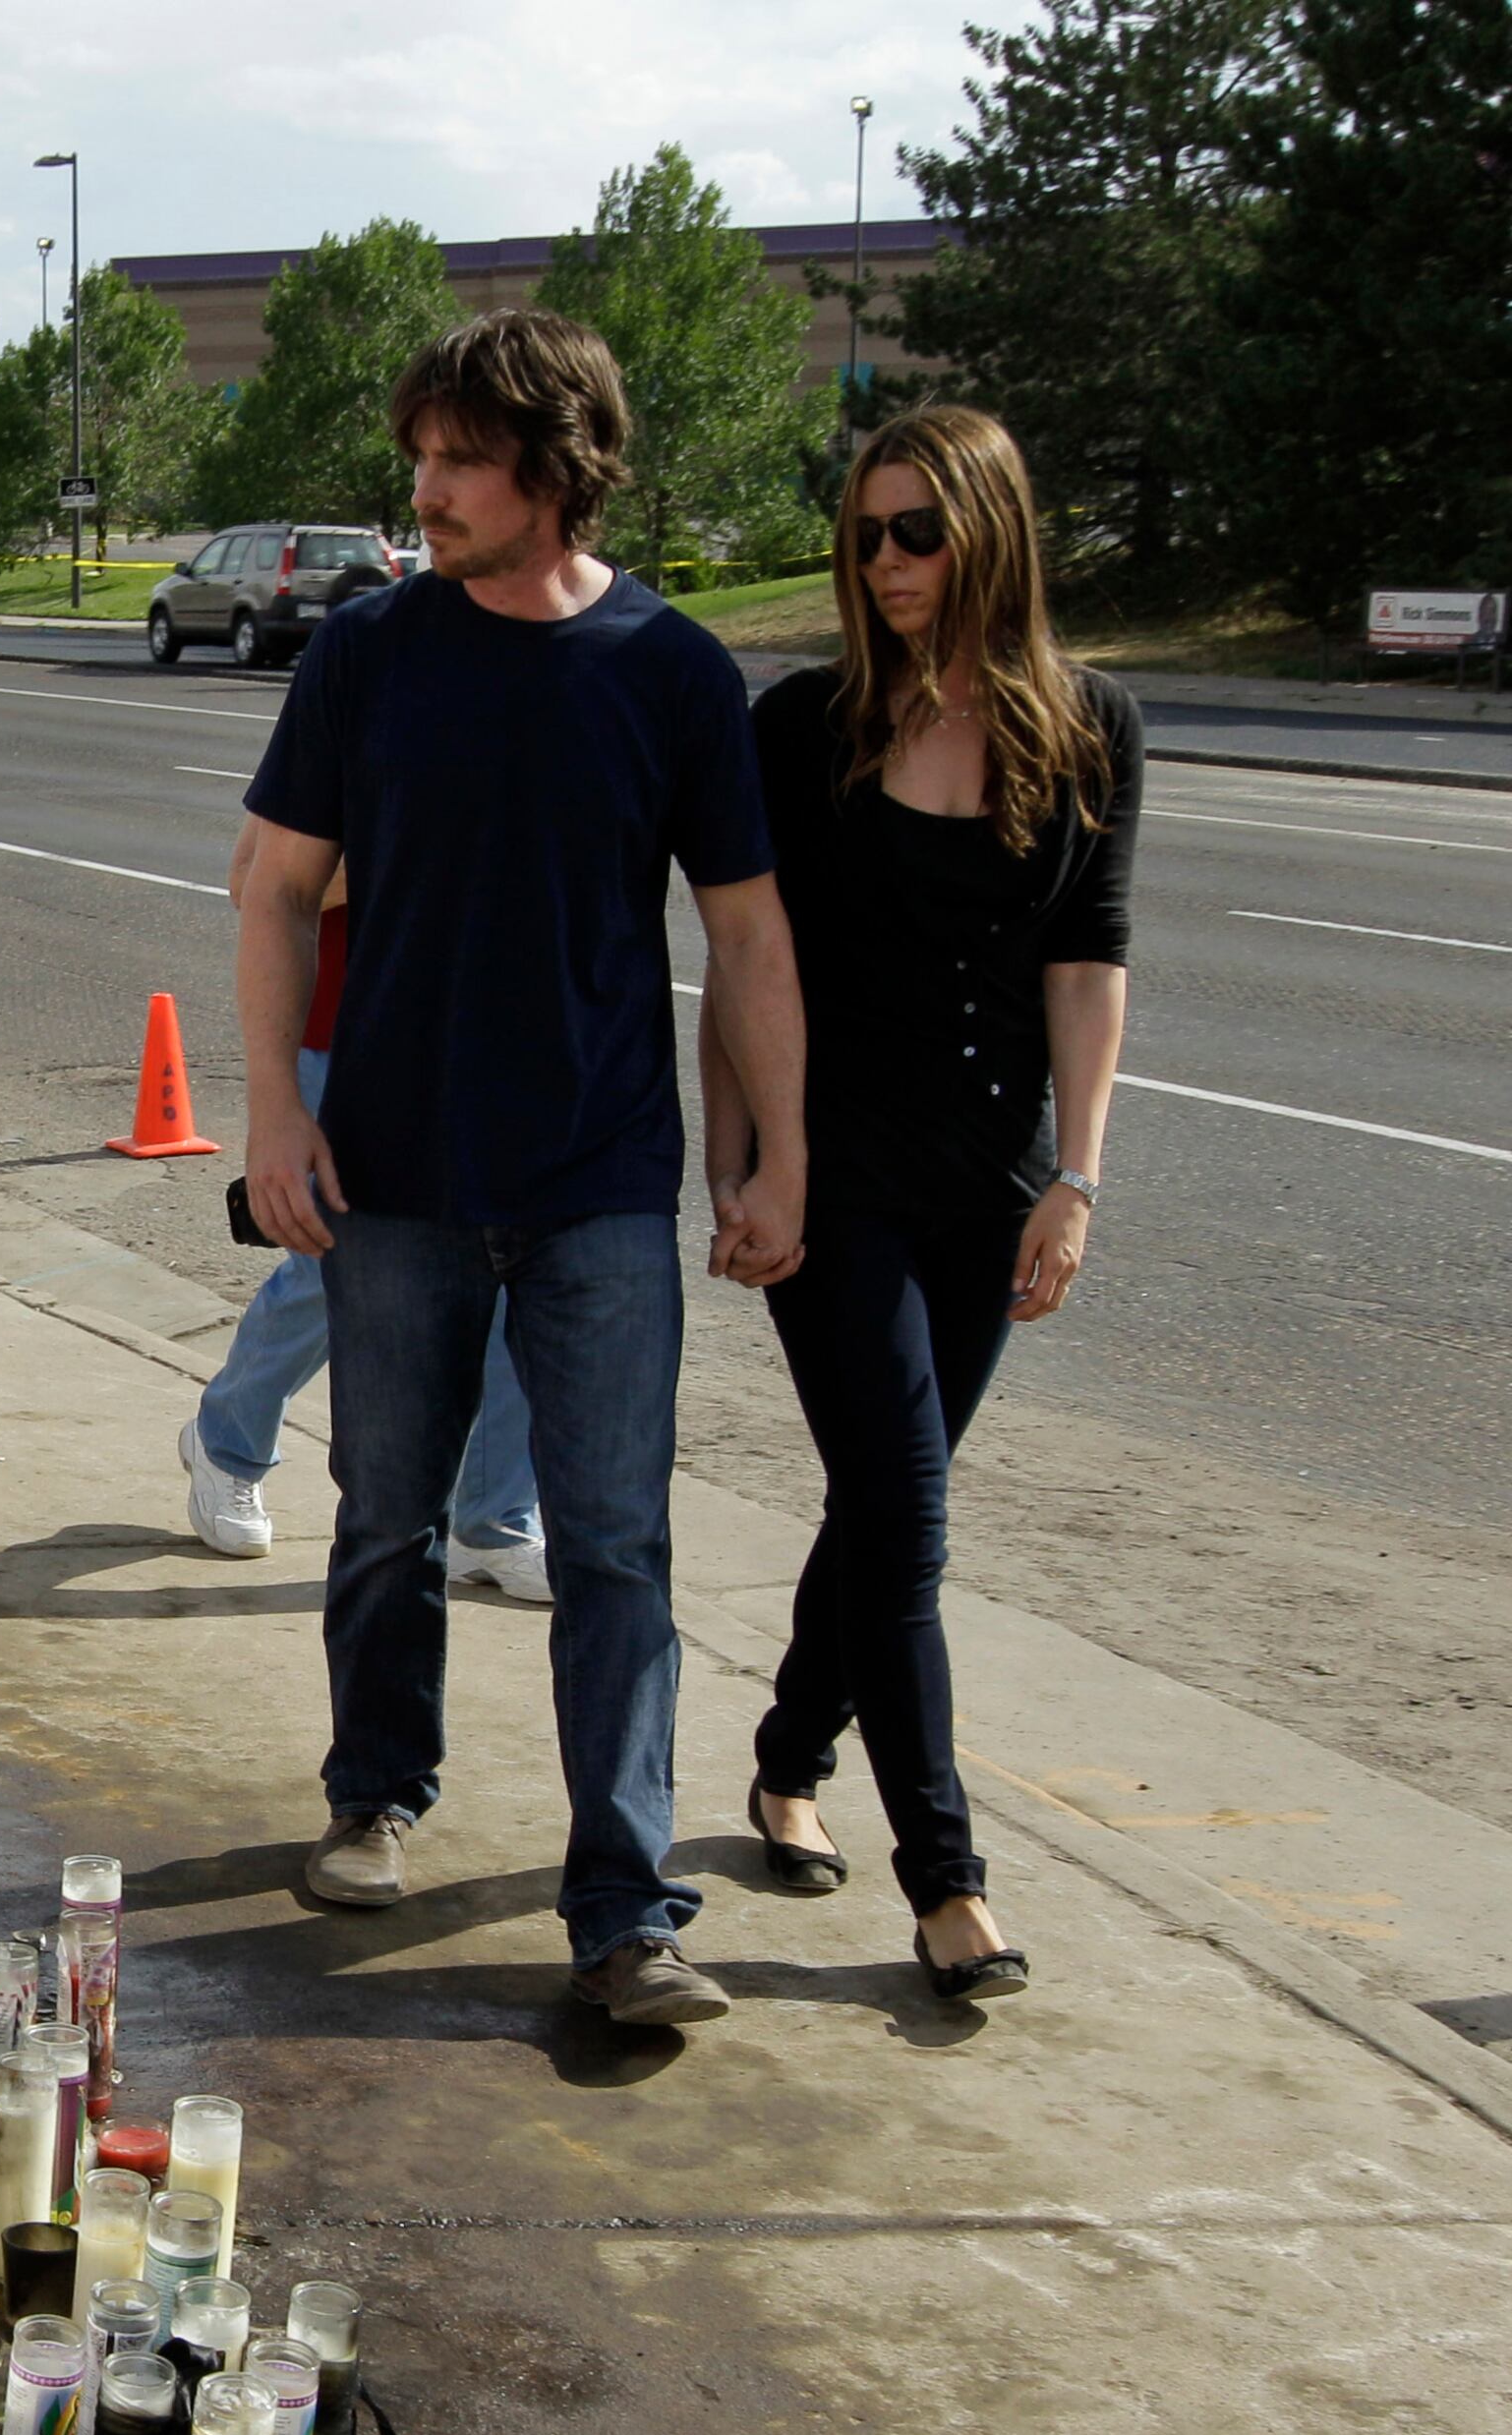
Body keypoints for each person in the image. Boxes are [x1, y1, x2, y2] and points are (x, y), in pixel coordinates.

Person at [233, 308, 810, 2027]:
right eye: (417, 458)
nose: (426, 492)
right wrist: (276, 1109)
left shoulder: (675, 673)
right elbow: (271, 888)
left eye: (460, 461)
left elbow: (751, 934)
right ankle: (375, 1794)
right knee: (386, 1515)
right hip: (397, 1166)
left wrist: (776, 1157)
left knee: (617, 1546)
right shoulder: (369, 652)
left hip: (602, 1176)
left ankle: (628, 1908)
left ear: (556, 472)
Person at [705, 405, 1135, 2005]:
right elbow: (746, 968)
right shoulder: (804, 728)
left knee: (881, 1513)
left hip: (990, 1183)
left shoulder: (1089, 729)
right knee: (911, 1523)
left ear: (991, 535)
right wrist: (745, 1163)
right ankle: (947, 1883)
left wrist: (1075, 1179)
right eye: (866, 535)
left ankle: (784, 1753)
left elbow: (1088, 962)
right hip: (840, 1180)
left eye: (917, 533)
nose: (884, 563)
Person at [183, 867, 546, 1594]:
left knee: (520, 1269)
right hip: (352, 1033)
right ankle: (227, 1443)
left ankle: (495, 1519)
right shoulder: (357, 746)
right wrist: (415, 833)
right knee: (334, 1261)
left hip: (501, 1037)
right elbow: (255, 880)